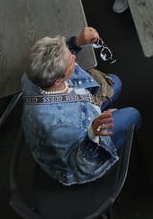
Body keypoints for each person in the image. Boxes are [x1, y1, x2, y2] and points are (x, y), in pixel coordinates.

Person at [20, 28, 140, 186]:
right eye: (71, 61)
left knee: (115, 82)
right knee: (133, 115)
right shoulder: (60, 125)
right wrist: (93, 132)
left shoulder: (32, 76)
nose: (74, 56)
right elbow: (82, 164)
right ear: (58, 81)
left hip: (79, 105)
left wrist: (76, 42)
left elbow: (61, 56)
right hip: (78, 151)